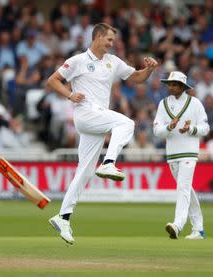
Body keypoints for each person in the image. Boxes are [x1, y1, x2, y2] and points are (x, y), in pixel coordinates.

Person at [46, 23, 158, 245]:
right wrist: (69, 95)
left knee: (85, 172)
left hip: (97, 120)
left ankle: (63, 217)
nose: (111, 44)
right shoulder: (78, 60)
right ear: (97, 37)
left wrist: (150, 70)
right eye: (108, 39)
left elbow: (135, 78)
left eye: (112, 41)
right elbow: (53, 80)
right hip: (86, 114)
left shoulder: (113, 61)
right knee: (126, 123)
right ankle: (109, 162)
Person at [153, 71, 210, 240]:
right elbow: (157, 131)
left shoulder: (195, 104)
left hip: (189, 153)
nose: (171, 87)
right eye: (169, 84)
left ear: (183, 87)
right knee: (187, 190)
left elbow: (205, 128)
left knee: (182, 188)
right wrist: (169, 127)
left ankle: (177, 225)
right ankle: (198, 229)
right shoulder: (163, 104)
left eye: (175, 84)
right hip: (172, 154)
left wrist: (191, 129)